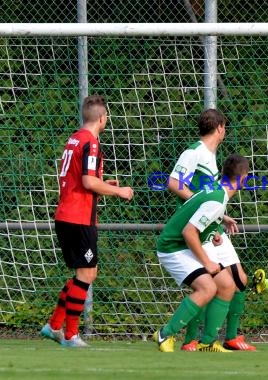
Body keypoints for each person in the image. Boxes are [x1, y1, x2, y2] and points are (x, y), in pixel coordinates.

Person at [40, 95, 134, 347]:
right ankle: (70, 335)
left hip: (67, 215)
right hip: (79, 217)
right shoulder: (91, 143)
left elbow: (83, 179)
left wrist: (105, 184)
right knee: (86, 273)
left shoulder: (73, 139)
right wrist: (119, 191)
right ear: (103, 118)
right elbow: (88, 182)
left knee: (86, 273)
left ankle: (53, 325)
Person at [166, 108, 255, 351]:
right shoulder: (194, 152)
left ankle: (227, 337)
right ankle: (193, 340)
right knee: (211, 283)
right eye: (224, 126)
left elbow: (209, 198)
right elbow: (174, 183)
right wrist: (202, 206)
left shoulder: (210, 155)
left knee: (237, 280)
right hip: (196, 227)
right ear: (220, 128)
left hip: (210, 224)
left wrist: (220, 215)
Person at [154, 154, 250, 353]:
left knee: (227, 285)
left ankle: (206, 343)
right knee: (207, 288)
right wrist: (206, 262)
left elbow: (197, 214)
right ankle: (165, 333)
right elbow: (188, 232)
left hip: (181, 245)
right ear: (243, 178)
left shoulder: (215, 190)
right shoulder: (218, 199)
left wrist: (213, 230)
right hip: (173, 248)